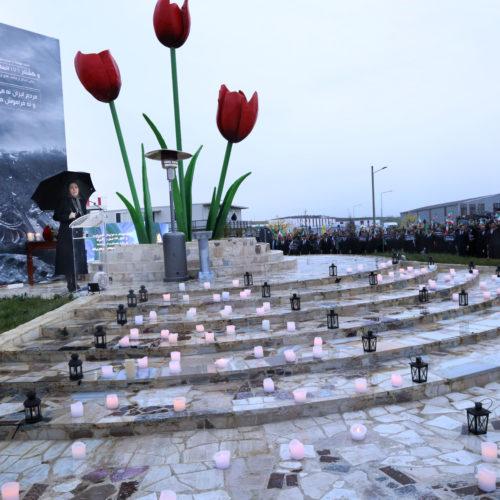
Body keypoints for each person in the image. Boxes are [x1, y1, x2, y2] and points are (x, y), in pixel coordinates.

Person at [53, 181, 88, 292]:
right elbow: (56, 216)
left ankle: (76, 283)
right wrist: (68, 216)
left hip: (78, 233)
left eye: (76, 187)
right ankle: (70, 284)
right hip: (66, 234)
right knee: (68, 259)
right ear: (68, 190)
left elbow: (83, 216)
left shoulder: (82, 202)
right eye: (71, 187)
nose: (74, 189)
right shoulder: (64, 200)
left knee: (77, 259)